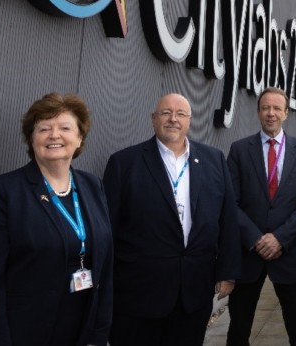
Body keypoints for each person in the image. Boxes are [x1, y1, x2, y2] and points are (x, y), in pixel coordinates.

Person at [0, 93, 113, 346]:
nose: (54, 135)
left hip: (79, 332)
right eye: (44, 128)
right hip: (20, 333)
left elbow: (105, 268)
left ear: (79, 137)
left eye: (65, 127)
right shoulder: (3, 192)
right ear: (32, 138)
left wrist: (99, 335)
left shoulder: (93, 186)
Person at [103, 93, 240, 345]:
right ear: (153, 119)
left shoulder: (214, 160)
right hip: (139, 293)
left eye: (180, 114)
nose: (173, 119)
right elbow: (107, 229)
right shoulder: (124, 163)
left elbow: (228, 219)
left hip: (194, 291)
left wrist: (228, 271)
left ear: (190, 120)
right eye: (166, 113)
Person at [227, 86, 296, 346]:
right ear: (258, 112)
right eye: (265, 108)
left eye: (277, 108)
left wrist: (279, 239)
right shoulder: (239, 150)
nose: (271, 113)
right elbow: (230, 202)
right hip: (248, 255)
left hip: (288, 253)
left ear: (286, 113)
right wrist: (257, 239)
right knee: (239, 328)